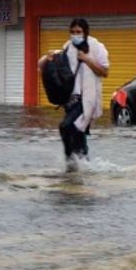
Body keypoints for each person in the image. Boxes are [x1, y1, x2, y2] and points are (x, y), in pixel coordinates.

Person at [38, 18, 109, 171]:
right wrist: (50, 59)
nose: (75, 35)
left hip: (87, 99)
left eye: (78, 32)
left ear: (85, 32)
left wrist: (86, 59)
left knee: (65, 126)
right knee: (77, 134)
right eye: (72, 32)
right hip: (71, 100)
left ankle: (70, 162)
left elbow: (104, 72)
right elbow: (55, 65)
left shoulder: (97, 47)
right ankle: (83, 167)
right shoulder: (67, 48)